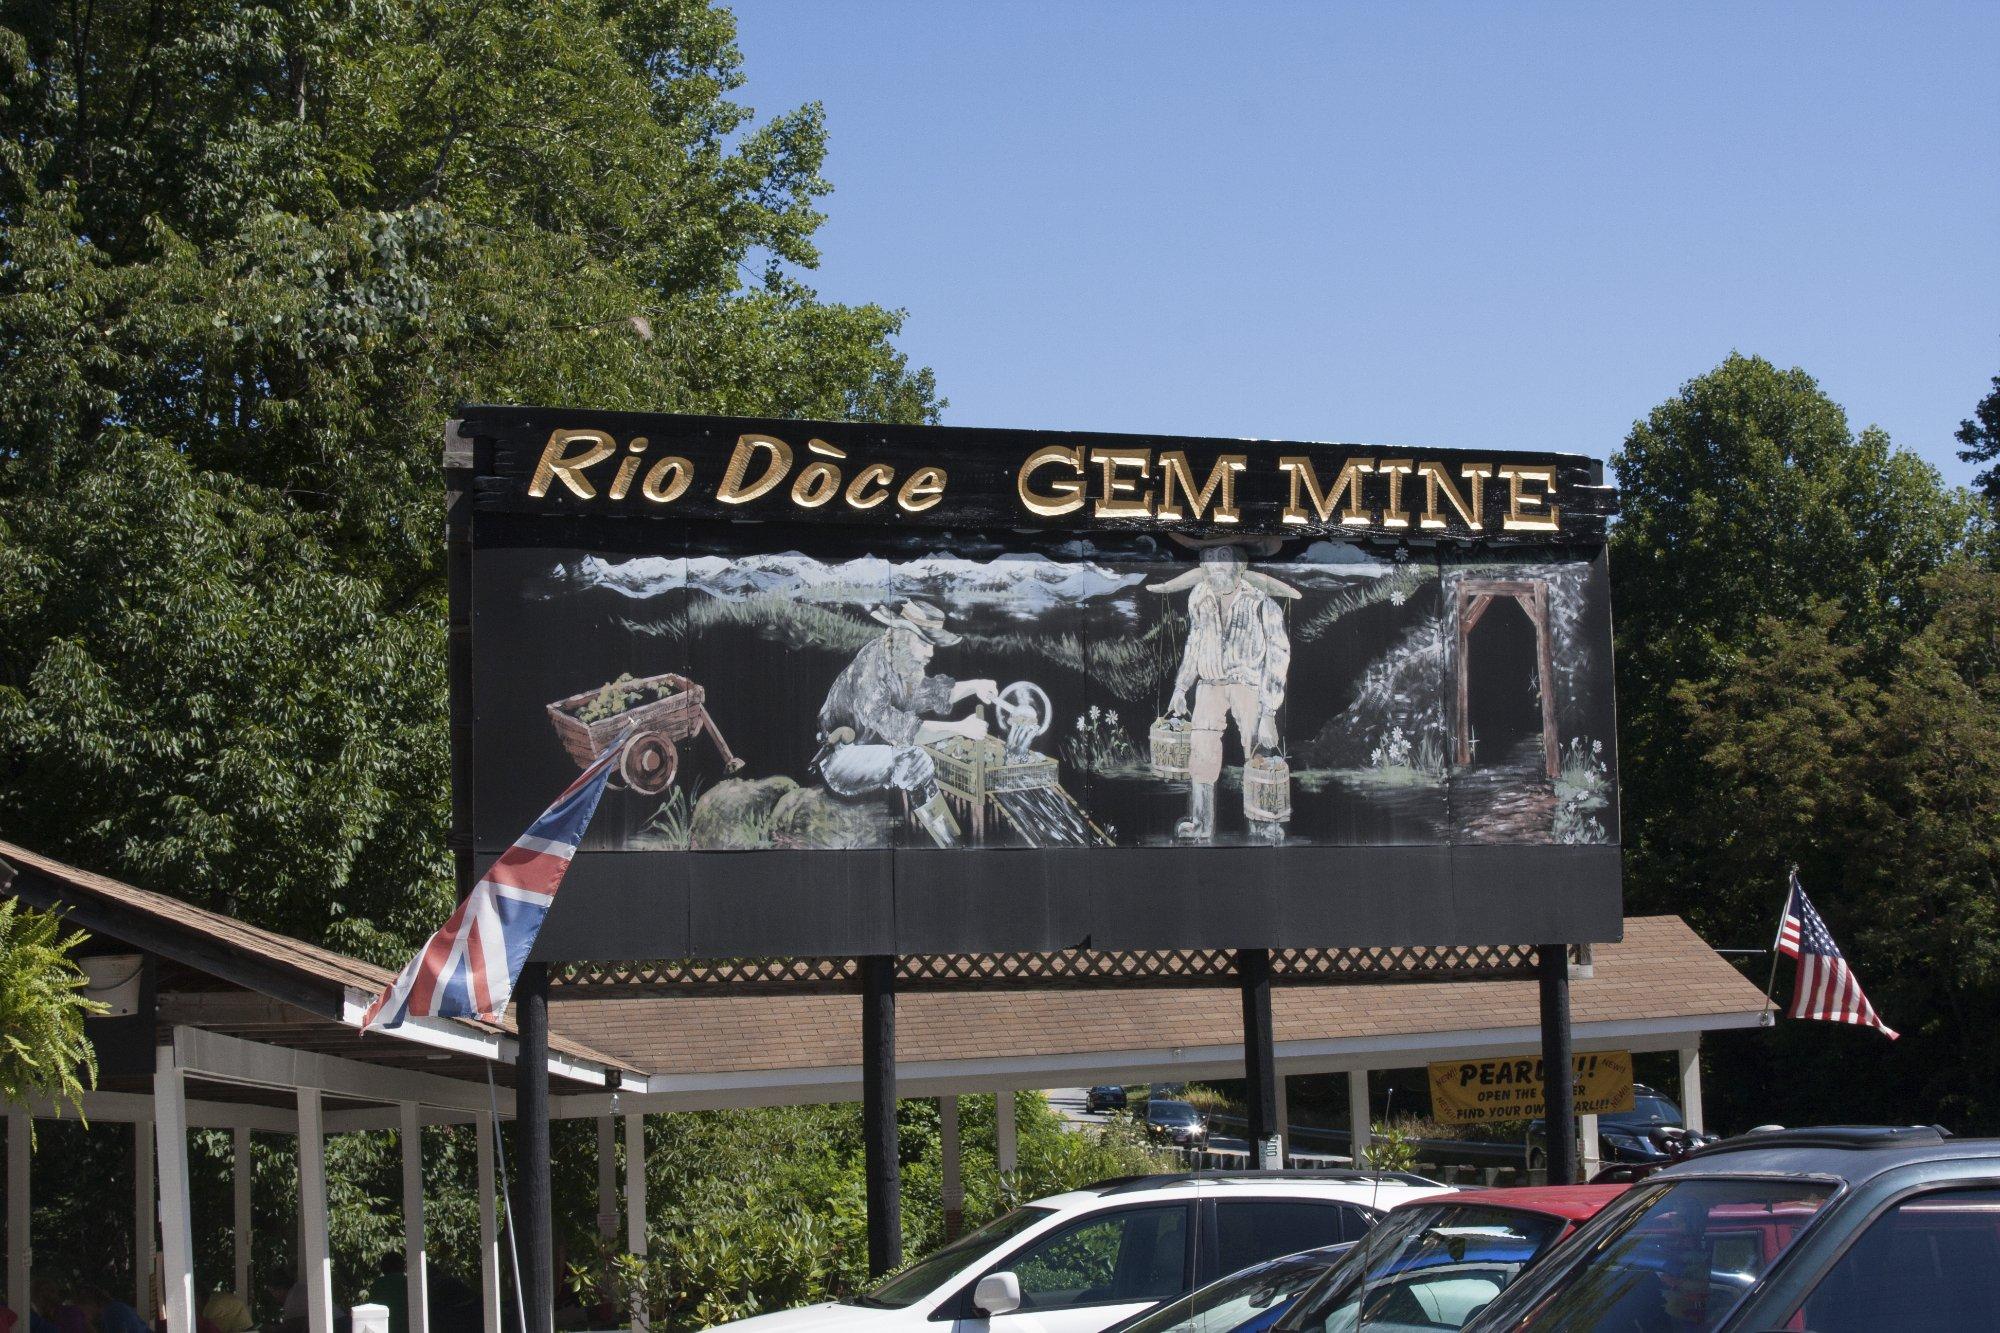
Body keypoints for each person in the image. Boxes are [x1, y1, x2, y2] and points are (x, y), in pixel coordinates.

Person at [814, 599, 996, 847]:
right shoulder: (872, 664)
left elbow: (928, 694)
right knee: (914, 761)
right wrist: (960, 728)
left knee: (920, 757)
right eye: (923, 642)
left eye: (931, 644)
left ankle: (949, 840)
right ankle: (952, 844)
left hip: (869, 751)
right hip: (839, 760)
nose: (930, 653)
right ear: (901, 635)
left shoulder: (901, 663)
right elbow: (900, 729)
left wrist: (976, 685)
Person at [1149, 545, 1297, 842]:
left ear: (1239, 564)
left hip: (1249, 684)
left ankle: (1264, 824)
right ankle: (1201, 824)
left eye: (1224, 557)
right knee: (1201, 750)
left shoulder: (1261, 602)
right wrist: (1181, 688)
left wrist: (1269, 712)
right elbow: (1194, 643)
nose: (1216, 564)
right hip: (1209, 684)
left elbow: (1279, 654)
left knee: (1258, 748)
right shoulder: (1199, 597)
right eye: (1210, 557)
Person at [363, 1255, 408, 1333]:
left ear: (383, 1267)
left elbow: (371, 1308)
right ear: (403, 1266)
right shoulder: (408, 1282)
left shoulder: (378, 1284)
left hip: (384, 1328)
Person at [75, 1287, 148, 1333]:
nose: (83, 1315)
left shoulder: (110, 1312)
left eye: (83, 1310)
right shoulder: (116, 1307)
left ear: (89, 1304)